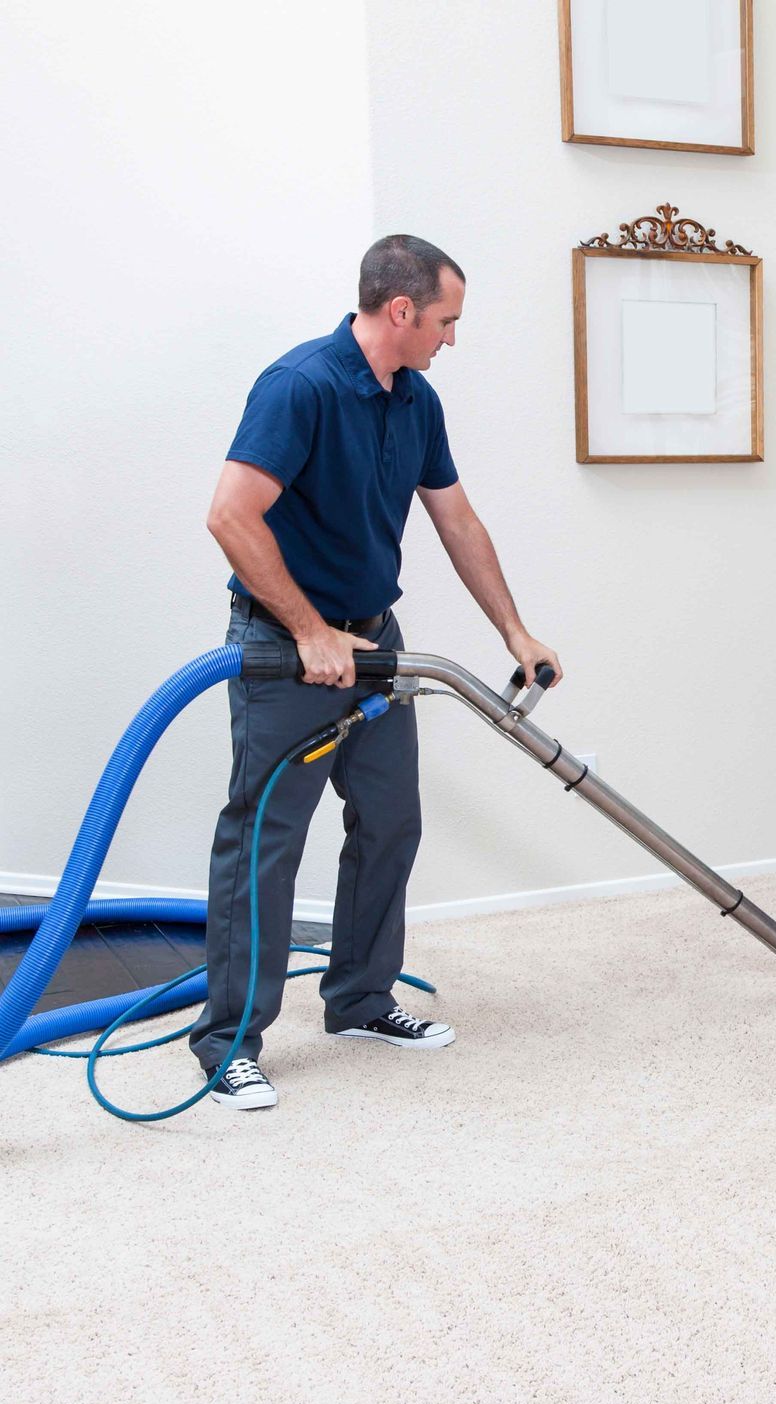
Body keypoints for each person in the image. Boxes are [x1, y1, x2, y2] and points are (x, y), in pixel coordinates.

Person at [190, 234, 561, 1110]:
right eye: (445, 320)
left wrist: (515, 631)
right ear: (401, 311)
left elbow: (457, 520)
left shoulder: (416, 400)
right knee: (266, 842)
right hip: (290, 651)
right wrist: (310, 630)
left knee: (391, 820)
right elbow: (230, 516)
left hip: (376, 644)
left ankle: (358, 999)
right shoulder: (301, 386)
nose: (450, 338)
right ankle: (228, 1041)